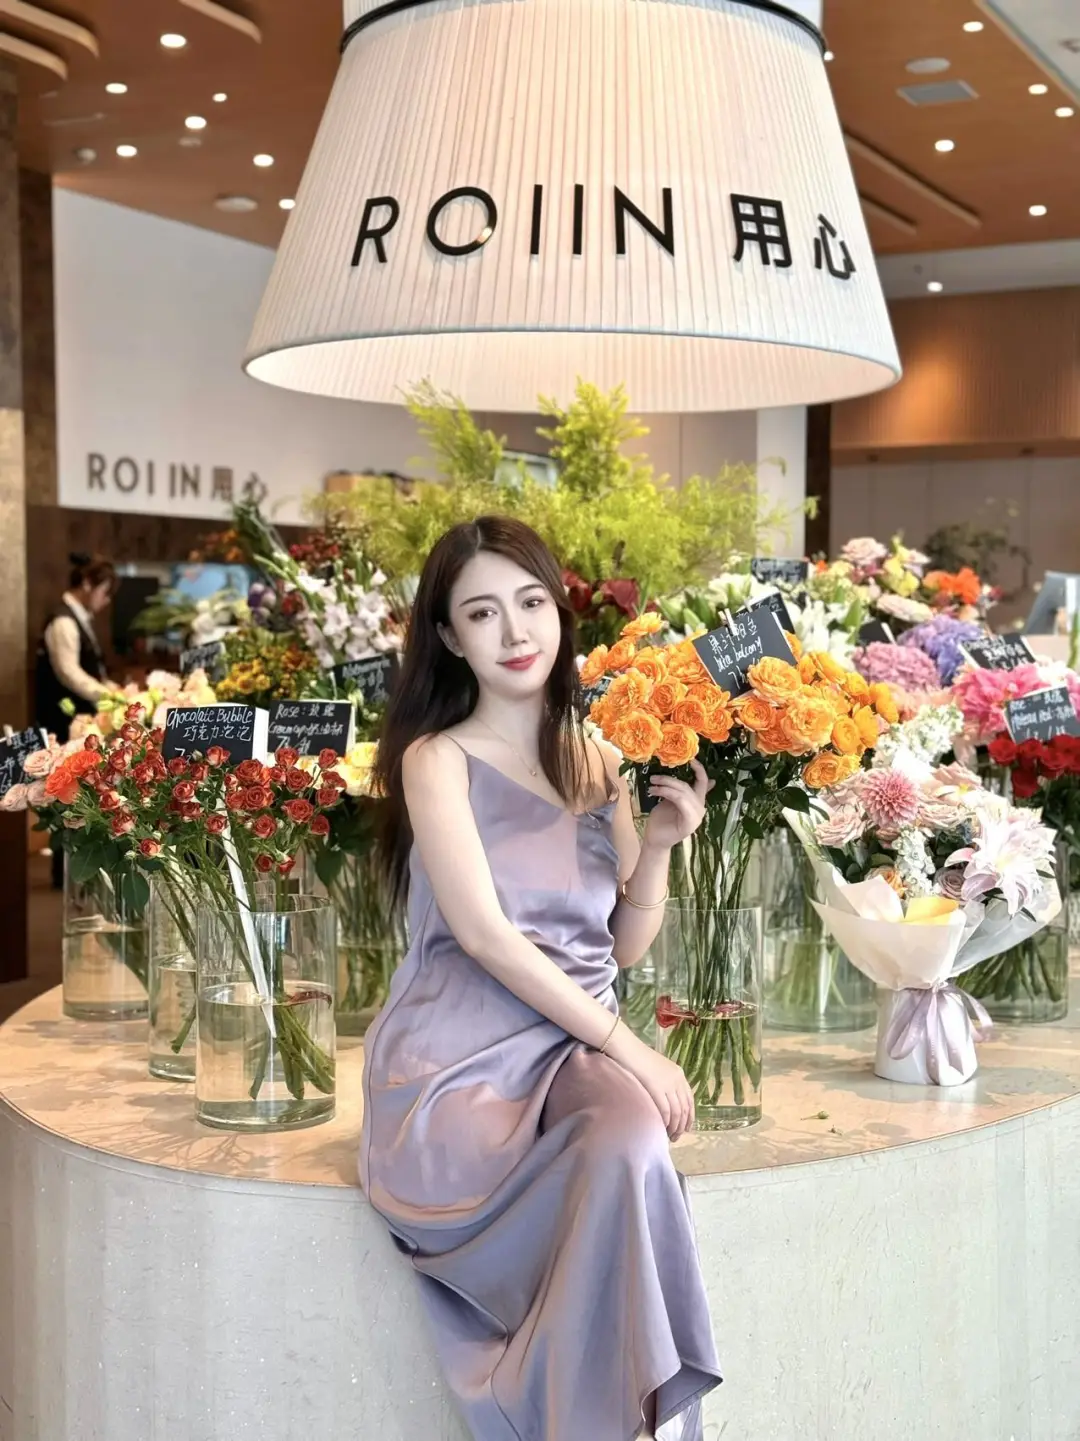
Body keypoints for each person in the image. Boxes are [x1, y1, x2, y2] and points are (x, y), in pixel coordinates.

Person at [361, 517, 722, 1441]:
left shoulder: (597, 758)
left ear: (560, 613)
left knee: (632, 1138)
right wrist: (634, 1048)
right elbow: (486, 937)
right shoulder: (435, 760)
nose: (516, 631)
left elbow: (622, 946)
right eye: (483, 613)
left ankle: (614, 1421)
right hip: (460, 1056)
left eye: (531, 603)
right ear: (449, 637)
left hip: (570, 1044)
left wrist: (663, 847)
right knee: (627, 1136)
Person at [35, 552, 117, 885]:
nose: (106, 601)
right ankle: (65, 874)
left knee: (77, 794)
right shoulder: (63, 621)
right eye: (104, 591)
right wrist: (108, 695)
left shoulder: (78, 618)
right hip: (61, 720)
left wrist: (111, 688)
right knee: (64, 793)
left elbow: (89, 669)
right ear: (86, 584)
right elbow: (69, 672)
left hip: (76, 720)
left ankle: (77, 873)